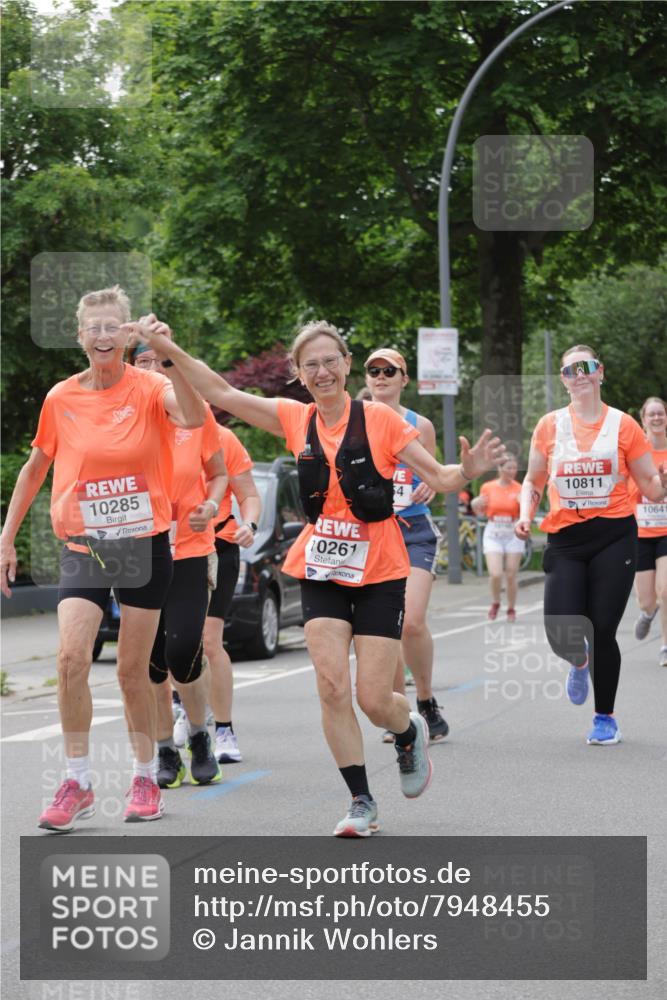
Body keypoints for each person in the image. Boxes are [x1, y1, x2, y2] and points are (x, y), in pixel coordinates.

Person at [132, 318, 506, 836]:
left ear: (347, 365)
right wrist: (164, 348)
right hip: (322, 566)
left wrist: (467, 470)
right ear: (298, 373)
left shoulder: (379, 420)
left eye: (331, 361)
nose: (323, 371)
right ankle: (361, 801)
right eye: (311, 365)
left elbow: (440, 478)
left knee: (374, 698)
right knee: (331, 686)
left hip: (380, 569)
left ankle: (407, 730)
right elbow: (219, 392)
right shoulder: (295, 417)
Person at [0, 288, 206, 831]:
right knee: (71, 659)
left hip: (143, 545)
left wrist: (169, 355)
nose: (103, 336)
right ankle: (78, 781)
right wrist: (6, 537)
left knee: (132, 673)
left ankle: (144, 776)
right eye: (93, 328)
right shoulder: (61, 397)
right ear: (80, 337)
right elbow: (35, 468)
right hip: (84, 545)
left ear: (128, 334)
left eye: (113, 326)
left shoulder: (152, 386)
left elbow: (193, 416)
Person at [517, 345, 667, 745]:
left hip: (614, 535)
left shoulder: (624, 426)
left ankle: (605, 718)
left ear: (600, 371)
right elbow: (533, 480)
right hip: (565, 539)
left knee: (602, 628)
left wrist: (663, 484)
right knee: (560, 631)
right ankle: (578, 660)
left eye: (585, 367)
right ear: (563, 379)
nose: (579, 374)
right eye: (570, 370)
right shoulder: (549, 425)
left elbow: (651, 486)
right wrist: (524, 513)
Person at [129, 342, 228, 789]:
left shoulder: (196, 414)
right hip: (139, 552)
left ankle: (201, 735)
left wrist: (211, 504)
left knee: (184, 648)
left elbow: (219, 473)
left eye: (161, 360)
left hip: (189, 549)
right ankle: (166, 748)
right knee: (151, 661)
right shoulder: (123, 417)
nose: (153, 367)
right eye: (143, 361)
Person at [364, 348, 449, 742]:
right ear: (366, 378)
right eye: (374, 370)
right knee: (389, 626)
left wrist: (431, 483)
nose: (381, 376)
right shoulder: (352, 421)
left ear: (404, 378)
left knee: (411, 621)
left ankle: (427, 700)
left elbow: (432, 473)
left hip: (413, 531)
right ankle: (400, 712)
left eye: (389, 370)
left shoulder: (420, 425)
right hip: (373, 536)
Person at [203, 423, 261, 764]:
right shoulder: (151, 430)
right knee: (173, 642)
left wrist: (249, 525)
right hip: (170, 548)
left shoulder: (222, 438)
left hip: (219, 545)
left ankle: (224, 730)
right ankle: (183, 708)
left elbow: (248, 495)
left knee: (210, 640)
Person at [629, 396, 667, 666]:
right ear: (643, 420)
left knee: (666, 591)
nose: (656, 418)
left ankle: (665, 646)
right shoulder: (634, 455)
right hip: (640, 534)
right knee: (646, 600)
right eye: (651, 414)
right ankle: (648, 613)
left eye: (660, 413)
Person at [471, 455, 525, 622]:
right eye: (509, 468)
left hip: (513, 532)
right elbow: (479, 511)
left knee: (511, 574)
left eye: (514, 468)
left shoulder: (520, 488)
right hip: (494, 531)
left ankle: (511, 608)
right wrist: (475, 503)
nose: (512, 471)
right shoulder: (488, 487)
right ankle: (495, 602)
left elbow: (527, 512)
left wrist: (523, 503)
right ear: (500, 469)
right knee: (495, 574)